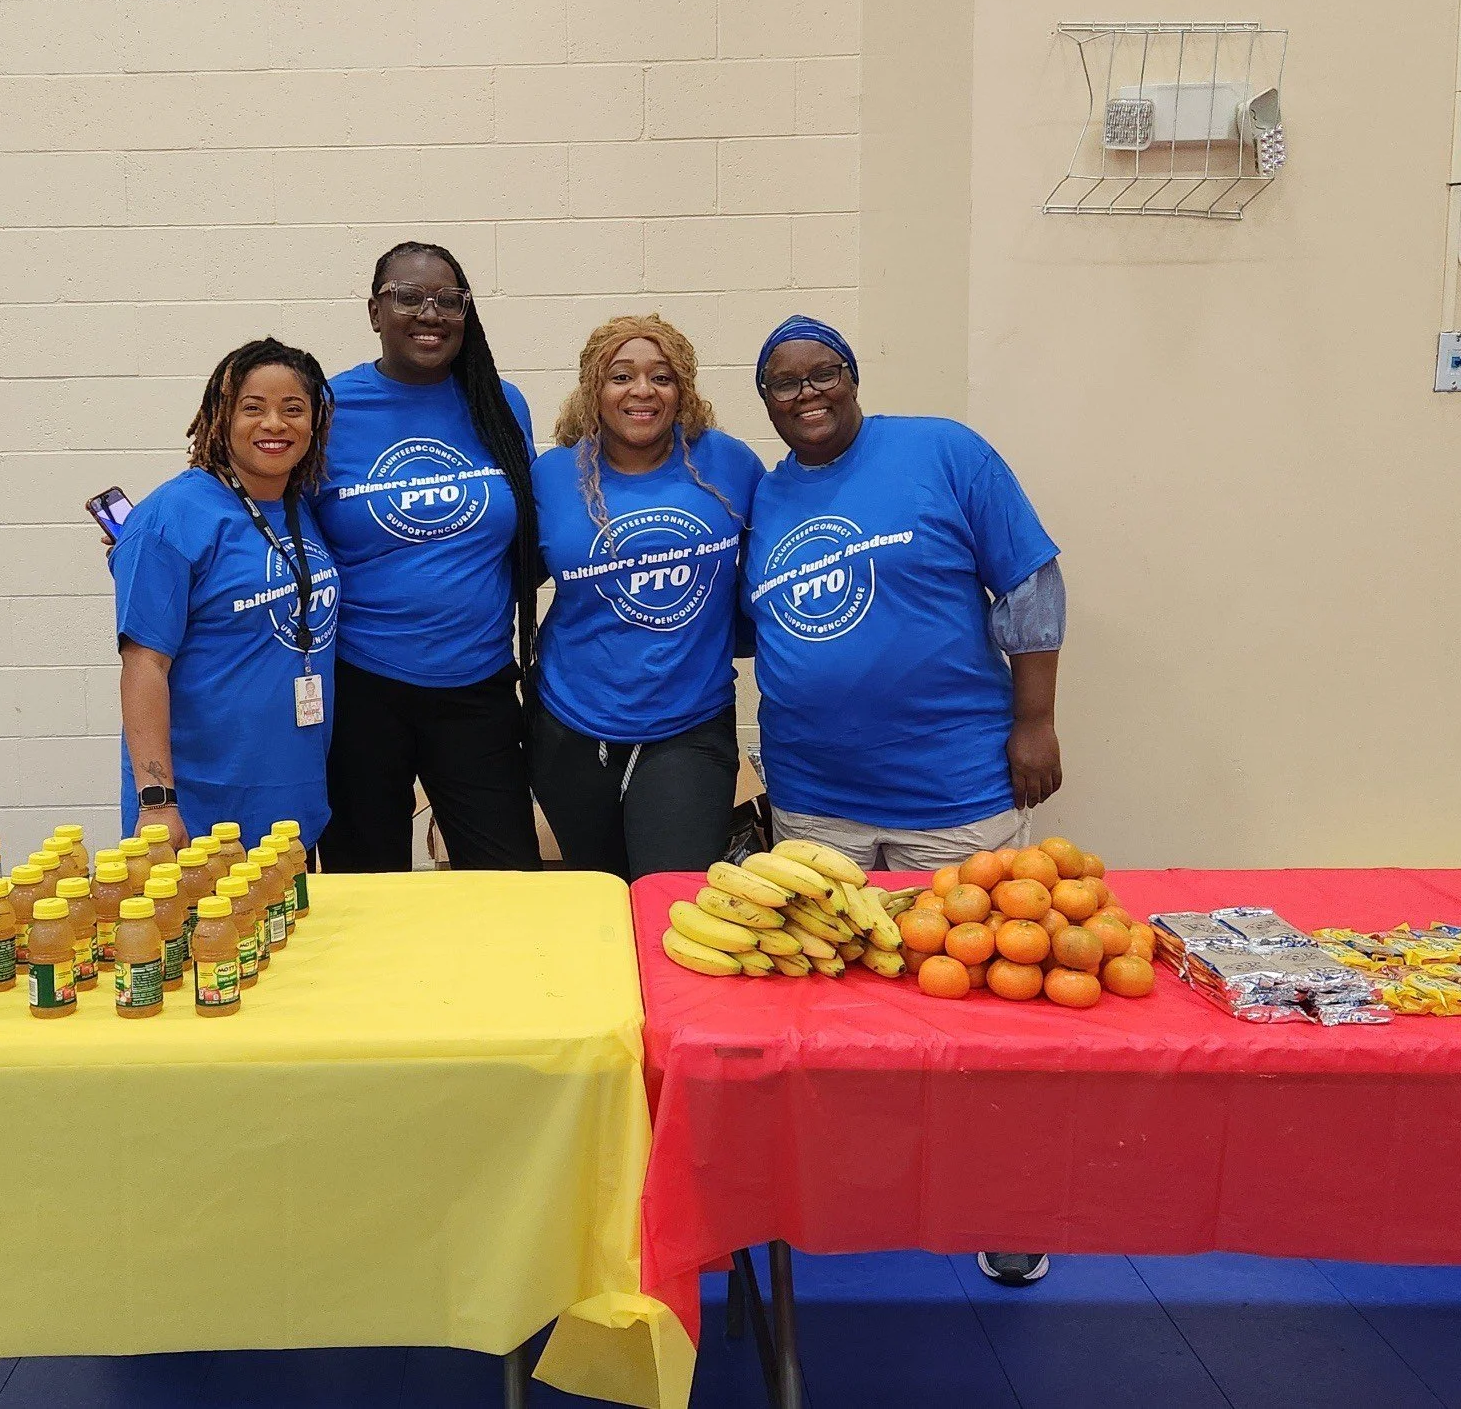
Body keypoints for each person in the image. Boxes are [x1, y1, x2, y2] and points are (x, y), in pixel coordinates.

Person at [743, 314, 1067, 1287]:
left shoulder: (942, 452)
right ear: (765, 402)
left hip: (953, 790)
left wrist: (1035, 722)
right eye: (784, 383)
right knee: (837, 1007)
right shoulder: (764, 496)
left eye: (823, 373)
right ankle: (857, 1185)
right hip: (815, 800)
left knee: (979, 1002)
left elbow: (1030, 585)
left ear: (853, 376)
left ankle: (1001, 1202)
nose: (807, 394)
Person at [311, 242, 545, 872]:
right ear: (374, 312)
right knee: (367, 887)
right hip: (362, 687)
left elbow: (532, 528)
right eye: (408, 298)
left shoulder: (501, 404)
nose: (430, 314)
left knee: (507, 883)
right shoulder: (328, 408)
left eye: (448, 300)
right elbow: (276, 520)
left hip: (478, 686)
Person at [528, 316, 764, 880]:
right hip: (570, 725)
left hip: (689, 723)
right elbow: (504, 578)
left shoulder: (730, 463)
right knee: (599, 898)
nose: (642, 390)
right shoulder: (552, 475)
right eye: (621, 376)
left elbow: (770, 566)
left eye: (661, 377)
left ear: (682, 390)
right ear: (594, 388)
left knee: (670, 900)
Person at [112, 339, 340, 851]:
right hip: (200, 809)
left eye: (293, 409)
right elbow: (144, 666)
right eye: (252, 408)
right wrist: (157, 803)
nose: (274, 424)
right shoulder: (172, 517)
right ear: (221, 417)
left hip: (292, 800)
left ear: (315, 423)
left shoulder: (302, 504)